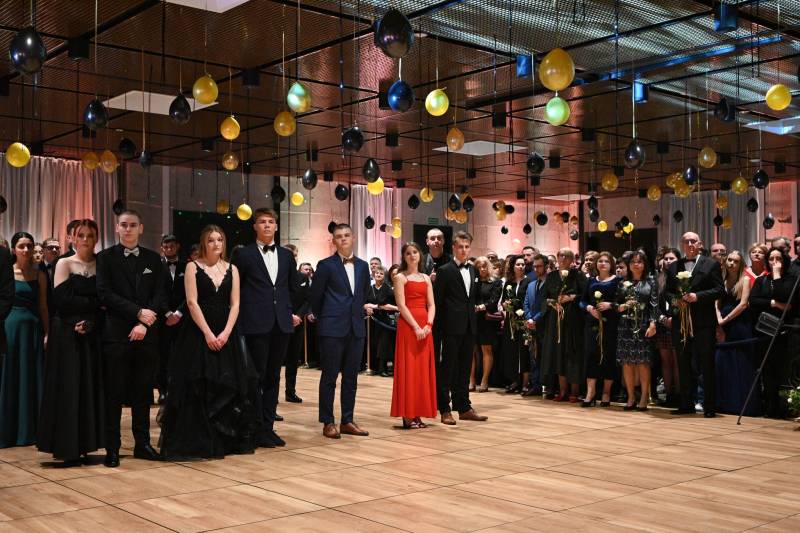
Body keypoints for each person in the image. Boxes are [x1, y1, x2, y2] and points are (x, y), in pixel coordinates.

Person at [159, 225, 257, 459]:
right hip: (198, 333)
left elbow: (236, 304)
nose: (216, 244)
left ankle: (225, 440)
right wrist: (208, 334)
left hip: (226, 333)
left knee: (229, 384)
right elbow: (191, 303)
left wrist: (226, 333)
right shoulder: (192, 267)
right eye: (211, 240)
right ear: (204, 243)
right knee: (199, 383)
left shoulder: (232, 269)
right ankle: (200, 439)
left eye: (219, 239)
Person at [96, 210, 165, 467]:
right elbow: (104, 293)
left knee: (143, 393)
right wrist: (137, 313)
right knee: (114, 394)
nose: (128, 229)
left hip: (146, 335)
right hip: (116, 335)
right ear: (117, 228)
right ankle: (112, 448)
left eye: (133, 225)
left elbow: (160, 294)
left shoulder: (153, 259)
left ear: (141, 228)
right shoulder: (105, 258)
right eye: (123, 225)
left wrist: (144, 322)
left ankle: (142, 444)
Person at [37, 220, 104, 465]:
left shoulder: (102, 264)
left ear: (96, 239)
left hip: (91, 332)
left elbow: (106, 300)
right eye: (81, 235)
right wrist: (93, 306)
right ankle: (66, 447)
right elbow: (62, 300)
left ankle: (86, 445)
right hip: (66, 333)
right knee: (68, 388)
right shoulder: (64, 263)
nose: (85, 239)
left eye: (90, 235)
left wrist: (91, 321)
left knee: (88, 387)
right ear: (73, 238)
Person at [231, 208, 299, 448]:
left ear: (276, 226)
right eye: (262, 222)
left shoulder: (286, 256)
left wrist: (291, 312)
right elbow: (235, 289)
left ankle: (268, 427)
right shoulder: (243, 254)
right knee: (255, 377)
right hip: (254, 323)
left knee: (273, 376)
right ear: (255, 226)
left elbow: (293, 288)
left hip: (281, 324)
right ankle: (253, 427)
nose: (267, 225)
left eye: (271, 221)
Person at [310, 223, 371, 439]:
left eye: (346, 235)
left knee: (351, 378)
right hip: (332, 328)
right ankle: (328, 421)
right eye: (339, 236)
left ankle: (347, 420)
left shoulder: (363, 266)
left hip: (356, 327)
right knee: (329, 376)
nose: (343, 239)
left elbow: (364, 293)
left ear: (353, 238)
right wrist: (326, 318)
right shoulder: (325, 265)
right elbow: (315, 296)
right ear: (333, 241)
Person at [665, 232, 724, 418]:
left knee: (706, 364)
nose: (690, 244)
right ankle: (686, 404)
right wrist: (675, 300)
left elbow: (719, 290)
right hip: (680, 323)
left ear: (700, 244)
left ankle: (709, 406)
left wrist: (697, 297)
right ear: (682, 244)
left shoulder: (711, 264)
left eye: (693, 241)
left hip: (704, 323)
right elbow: (667, 292)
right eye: (686, 241)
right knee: (683, 363)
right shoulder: (673, 266)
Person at [433, 230, 487, 425]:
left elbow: (473, 298)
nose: (464, 250)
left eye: (467, 247)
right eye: (460, 247)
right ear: (454, 248)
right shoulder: (444, 270)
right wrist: (438, 330)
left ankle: (463, 407)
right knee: (447, 369)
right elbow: (438, 302)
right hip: (449, 327)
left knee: (464, 369)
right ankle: (444, 409)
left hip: (469, 326)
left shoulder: (473, 270)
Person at [0, 232, 48, 448]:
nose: (26, 250)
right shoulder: (7, 271)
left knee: (31, 377)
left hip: (33, 330)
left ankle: (31, 431)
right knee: (10, 376)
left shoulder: (40, 274)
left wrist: (47, 333)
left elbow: (43, 306)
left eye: (29, 246)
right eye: (21, 246)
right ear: (13, 249)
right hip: (10, 328)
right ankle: (8, 431)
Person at [391, 242, 437, 429]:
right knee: (409, 369)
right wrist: (416, 327)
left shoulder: (426, 278)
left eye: (415, 252)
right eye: (408, 253)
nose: (412, 255)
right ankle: (408, 414)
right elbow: (401, 306)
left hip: (425, 328)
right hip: (409, 327)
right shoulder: (400, 277)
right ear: (404, 257)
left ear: (420, 255)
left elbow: (431, 305)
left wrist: (428, 325)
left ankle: (418, 412)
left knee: (421, 371)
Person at [750, 247, 797, 418]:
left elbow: (784, 296)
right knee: (767, 371)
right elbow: (753, 301)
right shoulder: (761, 280)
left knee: (783, 370)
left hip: (785, 332)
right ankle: (770, 408)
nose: (775, 262)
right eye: (771, 259)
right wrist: (774, 303)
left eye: (779, 258)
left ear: (785, 261)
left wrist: (777, 275)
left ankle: (785, 408)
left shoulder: (791, 279)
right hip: (765, 331)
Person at [713, 250, 758, 416]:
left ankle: (740, 405)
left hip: (739, 325)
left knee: (740, 363)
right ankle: (723, 403)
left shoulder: (745, 280)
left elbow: (743, 304)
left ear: (741, 264)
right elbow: (716, 303)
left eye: (736, 261)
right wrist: (718, 320)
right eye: (730, 260)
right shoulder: (722, 280)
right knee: (723, 362)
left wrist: (724, 320)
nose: (731, 263)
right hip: (723, 325)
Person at [540, 248, 587, 402]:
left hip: (573, 320)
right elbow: (544, 297)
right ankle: (562, 391)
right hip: (555, 319)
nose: (563, 258)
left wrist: (572, 297)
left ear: (572, 260)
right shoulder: (552, 276)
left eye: (567, 256)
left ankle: (574, 392)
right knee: (558, 354)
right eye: (560, 255)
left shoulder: (578, 275)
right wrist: (553, 303)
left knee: (572, 354)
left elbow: (585, 295)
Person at [616, 251, 658, 411]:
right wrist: (621, 306)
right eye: (633, 262)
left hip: (644, 324)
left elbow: (654, 304)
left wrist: (653, 324)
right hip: (625, 324)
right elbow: (616, 303)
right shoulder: (622, 282)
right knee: (627, 362)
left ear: (644, 264)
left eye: (639, 262)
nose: (636, 264)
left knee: (642, 362)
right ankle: (631, 397)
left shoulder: (651, 281)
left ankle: (644, 397)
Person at [580, 251, 620, 407]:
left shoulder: (617, 281)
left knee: (608, 356)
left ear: (611, 264)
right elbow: (582, 301)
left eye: (606, 261)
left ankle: (606, 392)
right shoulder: (591, 281)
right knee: (591, 356)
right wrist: (590, 308)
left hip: (610, 323)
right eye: (600, 261)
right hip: (592, 323)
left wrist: (610, 305)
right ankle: (590, 393)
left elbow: (621, 302)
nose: (602, 264)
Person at [157, 234, 186, 404]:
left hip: (183, 319)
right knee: (163, 355)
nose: (169, 249)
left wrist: (179, 313)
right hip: (163, 319)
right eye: (166, 247)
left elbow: (190, 293)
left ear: (177, 246)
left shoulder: (187, 266)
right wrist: (168, 313)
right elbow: (156, 293)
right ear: (162, 248)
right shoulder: (157, 267)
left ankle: (180, 390)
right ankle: (163, 391)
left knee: (182, 355)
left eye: (172, 246)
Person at [471, 256, 502, 392]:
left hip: (486, 319)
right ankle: (471, 380)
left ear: (488, 267)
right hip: (473, 319)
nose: (482, 269)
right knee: (471, 350)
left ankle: (484, 380)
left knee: (486, 350)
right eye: (479, 267)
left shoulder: (496, 282)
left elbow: (494, 301)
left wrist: (481, 307)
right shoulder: (473, 281)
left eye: (484, 266)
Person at [500, 255, 531, 394]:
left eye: (523, 264)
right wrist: (505, 304)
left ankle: (525, 382)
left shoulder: (528, 281)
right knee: (511, 350)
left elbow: (529, 301)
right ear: (513, 266)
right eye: (518, 264)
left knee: (523, 351)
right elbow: (503, 301)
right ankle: (515, 381)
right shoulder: (509, 282)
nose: (521, 267)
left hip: (524, 319)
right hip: (511, 320)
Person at [656, 247, 681, 406]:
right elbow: (653, 303)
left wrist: (674, 318)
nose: (668, 261)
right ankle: (669, 394)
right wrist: (662, 318)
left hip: (678, 324)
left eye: (672, 258)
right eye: (666, 258)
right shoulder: (658, 279)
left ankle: (679, 394)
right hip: (662, 325)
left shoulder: (682, 277)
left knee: (678, 361)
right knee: (666, 362)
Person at [285, 261, 312, 403]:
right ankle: (271, 395)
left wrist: (299, 316)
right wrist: (289, 315)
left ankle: (290, 391)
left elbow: (307, 300)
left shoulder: (303, 278)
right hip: (282, 321)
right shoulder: (280, 276)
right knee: (276, 361)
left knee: (293, 359)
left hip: (298, 323)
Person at [523, 254, 548, 396]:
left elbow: (546, 306)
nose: (536, 269)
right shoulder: (531, 284)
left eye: (539, 266)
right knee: (533, 355)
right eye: (535, 266)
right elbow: (526, 303)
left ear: (546, 266)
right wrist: (529, 319)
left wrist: (535, 319)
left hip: (545, 325)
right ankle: (535, 384)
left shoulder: (550, 284)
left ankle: (547, 385)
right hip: (532, 325)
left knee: (545, 356)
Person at [366, 267, 398, 377]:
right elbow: (364, 302)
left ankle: (382, 368)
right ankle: (373, 367)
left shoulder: (387, 288)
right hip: (371, 321)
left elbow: (383, 304)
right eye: (377, 273)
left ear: (385, 276)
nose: (378, 275)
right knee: (373, 344)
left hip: (385, 321)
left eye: (381, 273)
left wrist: (374, 306)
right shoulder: (369, 288)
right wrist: (367, 307)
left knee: (384, 345)